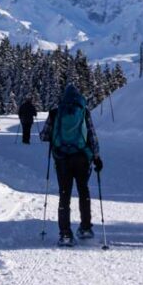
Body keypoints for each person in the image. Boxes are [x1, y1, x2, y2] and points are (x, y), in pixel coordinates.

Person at [40, 84, 102, 246]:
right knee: (83, 191)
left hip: (62, 158)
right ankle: (86, 228)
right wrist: (96, 157)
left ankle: (65, 234)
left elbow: (44, 136)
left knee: (64, 194)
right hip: (81, 157)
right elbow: (92, 135)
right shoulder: (83, 112)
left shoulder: (55, 112)